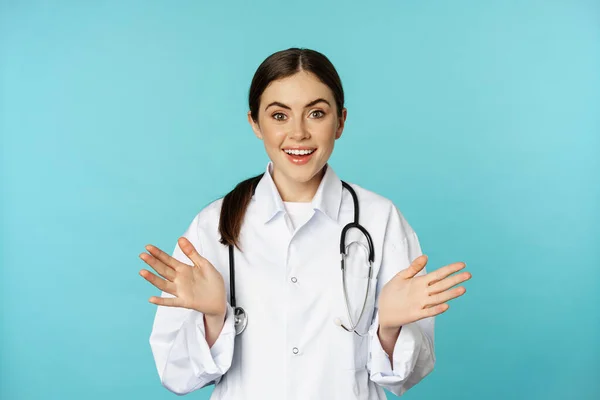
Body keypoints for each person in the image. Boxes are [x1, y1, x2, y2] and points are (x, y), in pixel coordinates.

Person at [139, 48, 472, 399]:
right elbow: (176, 376)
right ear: (255, 123)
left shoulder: (380, 219)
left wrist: (389, 329)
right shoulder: (213, 226)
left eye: (316, 113)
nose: (298, 133)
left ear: (340, 121)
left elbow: (407, 377)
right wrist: (213, 319)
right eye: (279, 116)